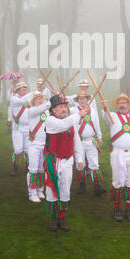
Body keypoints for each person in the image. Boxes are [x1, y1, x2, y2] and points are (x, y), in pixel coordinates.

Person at [101, 93, 130, 223]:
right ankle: (117, 208)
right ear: (116, 105)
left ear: (128, 105)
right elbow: (105, 116)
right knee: (117, 181)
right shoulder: (112, 116)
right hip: (118, 153)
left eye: (124, 103)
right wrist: (104, 107)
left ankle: (128, 209)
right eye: (120, 103)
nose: (122, 105)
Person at [44, 94, 85, 232]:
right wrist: (79, 114)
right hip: (53, 160)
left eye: (65, 107)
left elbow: (76, 142)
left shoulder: (70, 122)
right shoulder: (50, 121)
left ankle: (62, 217)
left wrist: (79, 159)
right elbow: (63, 125)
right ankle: (53, 218)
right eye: (60, 107)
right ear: (53, 110)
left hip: (67, 160)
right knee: (52, 190)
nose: (64, 109)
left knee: (65, 189)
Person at [71, 91, 106, 197]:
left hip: (91, 141)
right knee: (80, 163)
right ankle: (82, 185)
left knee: (94, 163)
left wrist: (99, 137)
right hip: (79, 141)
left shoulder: (93, 111)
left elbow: (97, 125)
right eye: (80, 99)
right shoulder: (73, 110)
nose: (82, 100)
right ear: (77, 101)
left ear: (87, 99)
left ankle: (97, 186)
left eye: (84, 98)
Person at [26, 90, 50, 203]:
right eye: (36, 99)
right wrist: (48, 104)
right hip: (34, 143)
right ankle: (32, 193)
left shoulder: (47, 111)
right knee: (33, 168)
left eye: (40, 98)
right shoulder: (31, 111)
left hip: (44, 143)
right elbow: (40, 109)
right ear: (33, 101)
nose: (39, 100)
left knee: (41, 168)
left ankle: (40, 190)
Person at [10, 82, 31, 176]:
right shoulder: (14, 99)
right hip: (18, 128)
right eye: (22, 89)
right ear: (17, 91)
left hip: (28, 127)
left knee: (27, 149)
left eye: (25, 89)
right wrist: (34, 93)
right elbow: (23, 100)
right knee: (18, 149)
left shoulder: (28, 98)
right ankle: (15, 167)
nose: (25, 91)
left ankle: (27, 167)